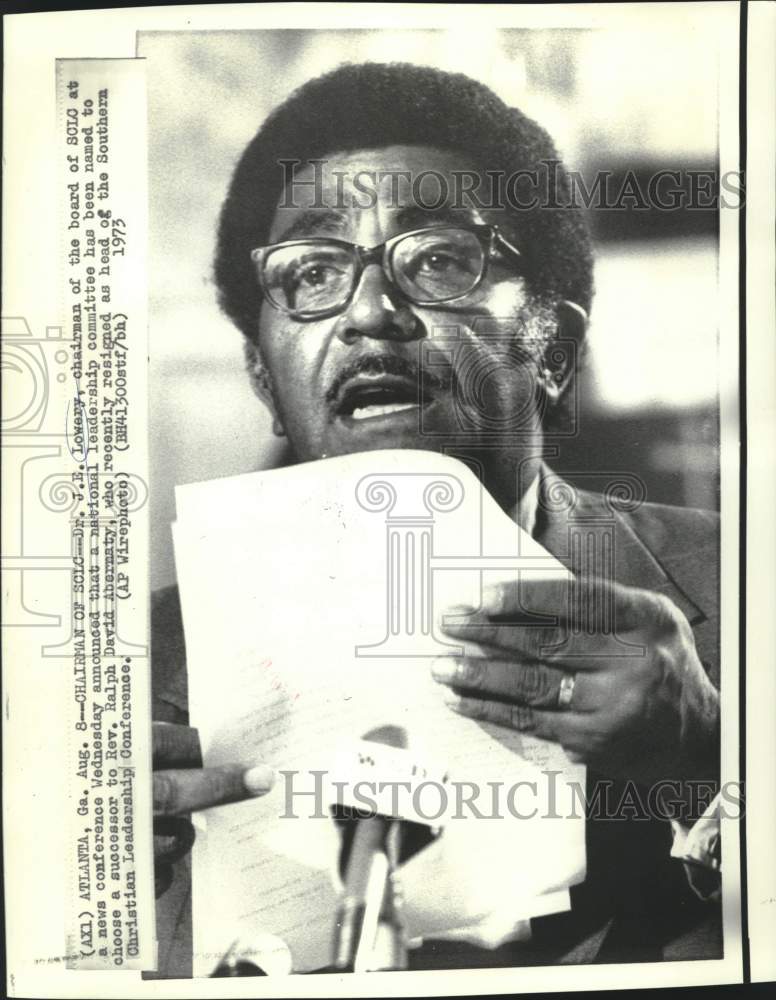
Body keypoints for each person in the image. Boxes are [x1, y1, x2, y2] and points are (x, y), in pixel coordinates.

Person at [150, 62, 722, 976]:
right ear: (265, 379)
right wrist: (88, 894)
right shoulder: (133, 674)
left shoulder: (738, 587)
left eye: (442, 260)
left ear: (552, 348)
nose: (372, 313)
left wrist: (706, 756)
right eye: (312, 271)